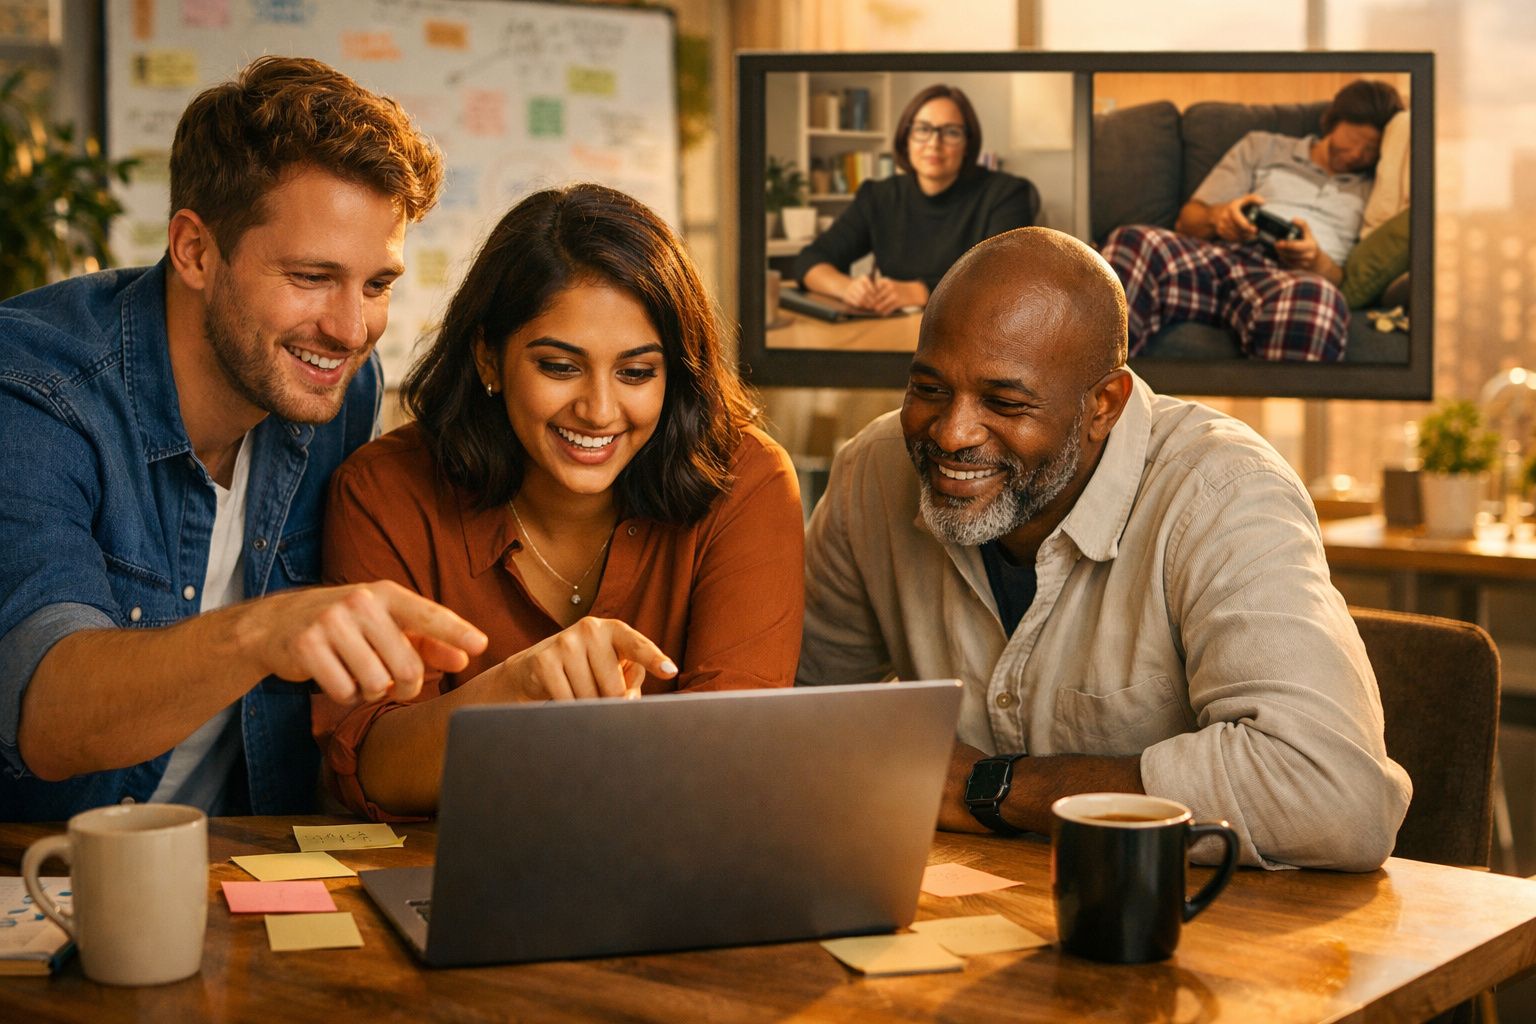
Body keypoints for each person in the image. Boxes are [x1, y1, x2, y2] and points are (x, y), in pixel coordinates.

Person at [798, 226, 1411, 870]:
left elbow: (1333, 794)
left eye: (1005, 402)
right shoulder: (873, 470)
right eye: (928, 389)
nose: (952, 433)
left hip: (1201, 935)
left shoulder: (1222, 491)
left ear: (1104, 405)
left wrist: (990, 788)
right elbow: (797, 717)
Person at [0, 56, 489, 822]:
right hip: (42, 875)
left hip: (244, 864)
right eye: (311, 276)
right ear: (195, 250)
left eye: (377, 284)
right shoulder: (34, 390)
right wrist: (261, 633)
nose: (351, 329)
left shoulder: (336, 385)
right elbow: (47, 715)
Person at [313, 184, 804, 820]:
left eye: (636, 373)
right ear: (490, 356)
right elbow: (369, 771)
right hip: (451, 879)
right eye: (559, 366)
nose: (599, 411)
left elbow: (738, 760)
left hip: (677, 876)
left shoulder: (748, 480)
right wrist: (517, 689)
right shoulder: (384, 492)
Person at [1101, 79, 1404, 361]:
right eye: (1352, 141)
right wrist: (1222, 217)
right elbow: (1188, 221)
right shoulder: (1263, 147)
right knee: (1133, 242)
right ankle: (1092, 401)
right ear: (1332, 122)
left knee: (1318, 299)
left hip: (1293, 280)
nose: (1355, 155)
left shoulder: (1374, 189)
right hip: (1220, 259)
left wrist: (1314, 261)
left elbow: (1338, 280)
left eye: (1370, 150)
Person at [794, 83, 1040, 316]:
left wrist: (920, 291)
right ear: (906, 138)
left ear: (967, 144)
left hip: (972, 338)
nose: (934, 143)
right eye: (923, 129)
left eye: (951, 132)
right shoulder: (878, 197)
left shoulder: (1006, 194)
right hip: (893, 333)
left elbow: (1005, 283)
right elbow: (809, 260)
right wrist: (846, 287)